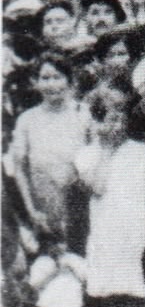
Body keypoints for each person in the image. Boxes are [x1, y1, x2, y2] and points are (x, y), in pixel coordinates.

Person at [73, 76, 145, 307]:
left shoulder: (140, 151)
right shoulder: (86, 156)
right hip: (107, 246)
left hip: (135, 242)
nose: (117, 122)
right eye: (109, 114)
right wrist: (106, 147)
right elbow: (98, 186)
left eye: (121, 114)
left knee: (136, 305)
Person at [6, 50, 89, 244]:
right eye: (45, 78)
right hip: (42, 206)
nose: (51, 84)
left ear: (69, 80)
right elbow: (20, 169)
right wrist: (32, 210)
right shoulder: (27, 120)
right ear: (35, 82)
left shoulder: (83, 113)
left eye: (57, 77)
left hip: (79, 206)